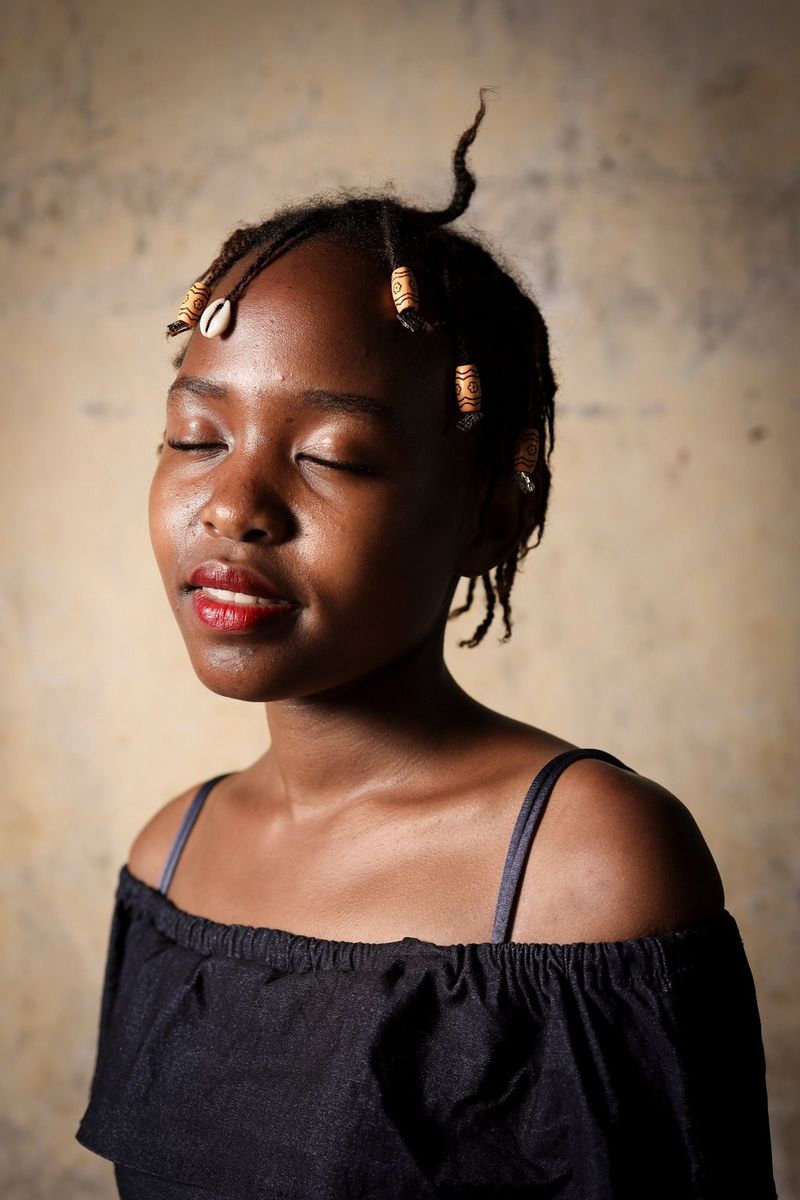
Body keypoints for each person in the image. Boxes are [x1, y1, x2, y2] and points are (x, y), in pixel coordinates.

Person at [75, 95, 776, 1198]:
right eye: (194, 438)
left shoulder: (587, 866)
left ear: (489, 515)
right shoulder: (170, 857)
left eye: (335, 455)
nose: (233, 505)